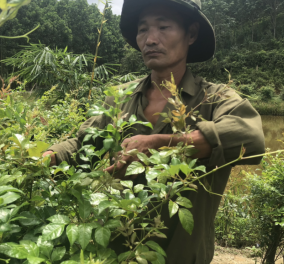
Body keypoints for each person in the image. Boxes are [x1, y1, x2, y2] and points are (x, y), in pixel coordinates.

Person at [43, 0, 265, 263]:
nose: (150, 39)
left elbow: (250, 138)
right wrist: (48, 156)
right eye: (143, 29)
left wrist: (162, 143)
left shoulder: (214, 99)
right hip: (115, 251)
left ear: (191, 34)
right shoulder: (119, 97)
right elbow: (84, 145)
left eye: (163, 27)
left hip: (181, 255)